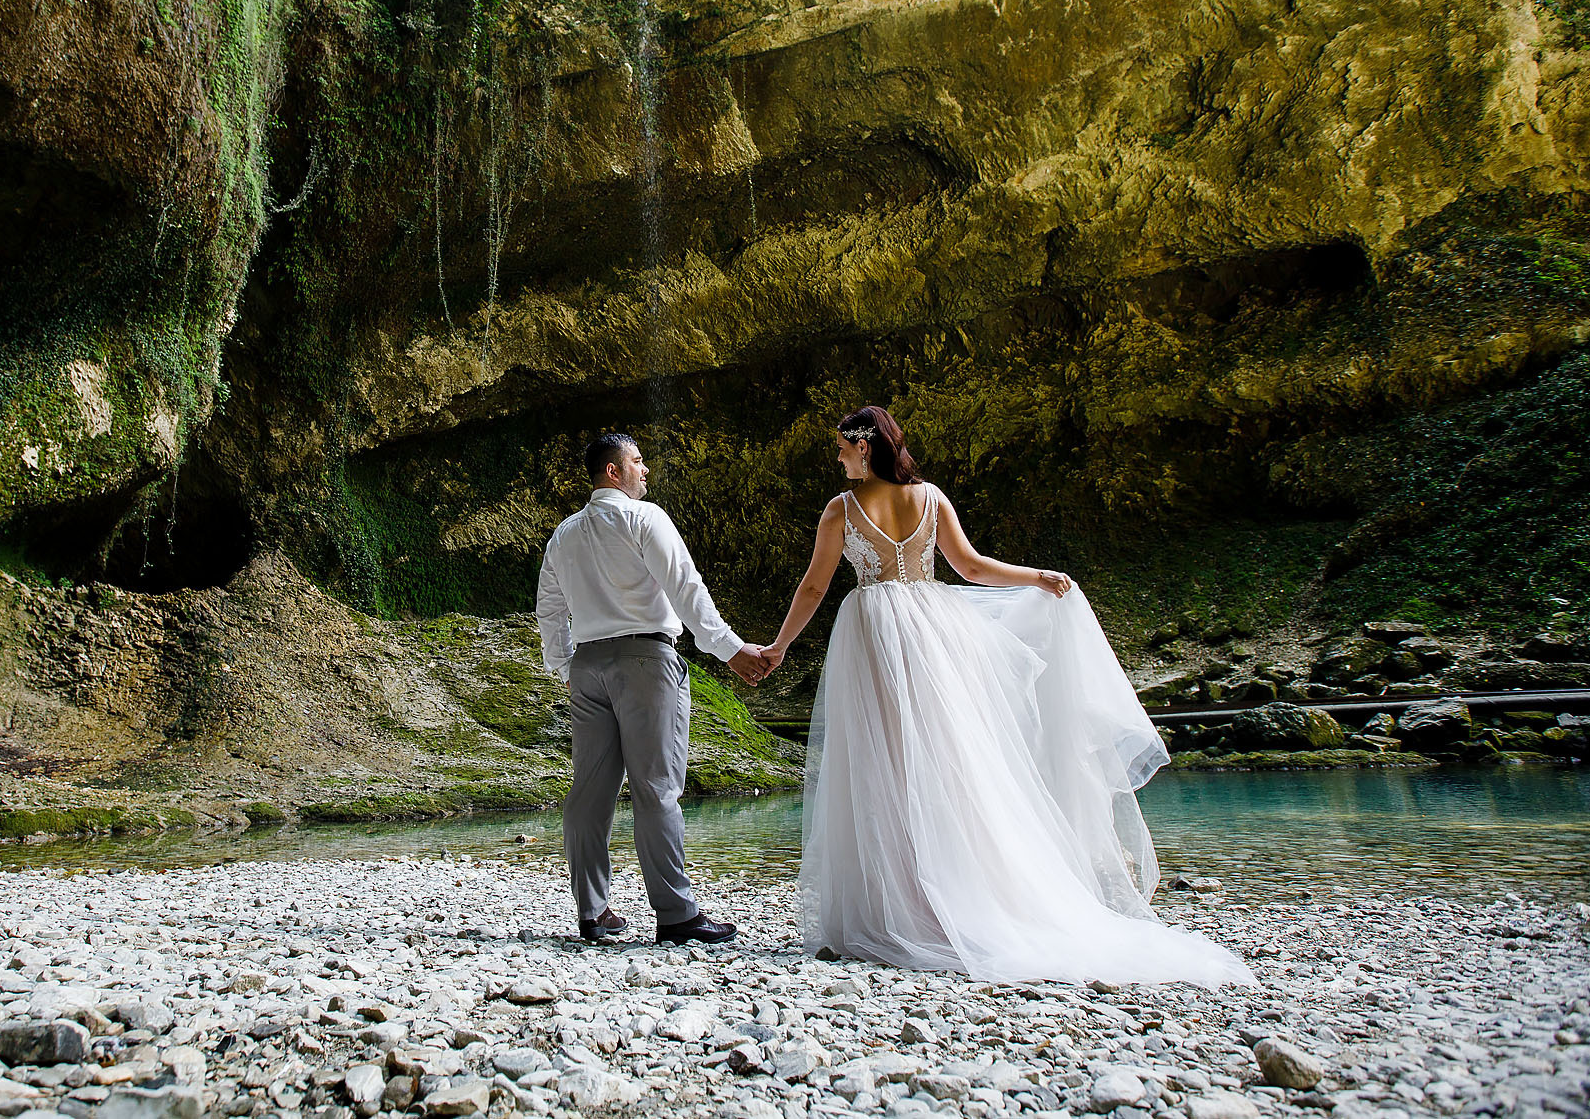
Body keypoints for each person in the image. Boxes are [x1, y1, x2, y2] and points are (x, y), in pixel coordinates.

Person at [751, 406, 1254, 985]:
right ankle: (958, 894)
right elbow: (969, 567)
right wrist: (1034, 576)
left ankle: (900, 905)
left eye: (840, 447)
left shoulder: (842, 510)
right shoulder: (930, 497)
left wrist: (780, 647)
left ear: (865, 448)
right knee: (950, 763)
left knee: (883, 764)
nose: (836, 457)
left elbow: (815, 585)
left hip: (873, 633)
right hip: (935, 632)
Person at [536, 433, 773, 945]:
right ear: (613, 473)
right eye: (637, 462)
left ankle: (592, 914)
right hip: (646, 659)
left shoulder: (563, 535)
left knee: (589, 791)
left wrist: (564, 666)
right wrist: (732, 650)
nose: (646, 470)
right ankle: (676, 916)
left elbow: (550, 609)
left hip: (588, 666)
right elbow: (686, 588)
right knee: (657, 788)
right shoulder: (645, 518)